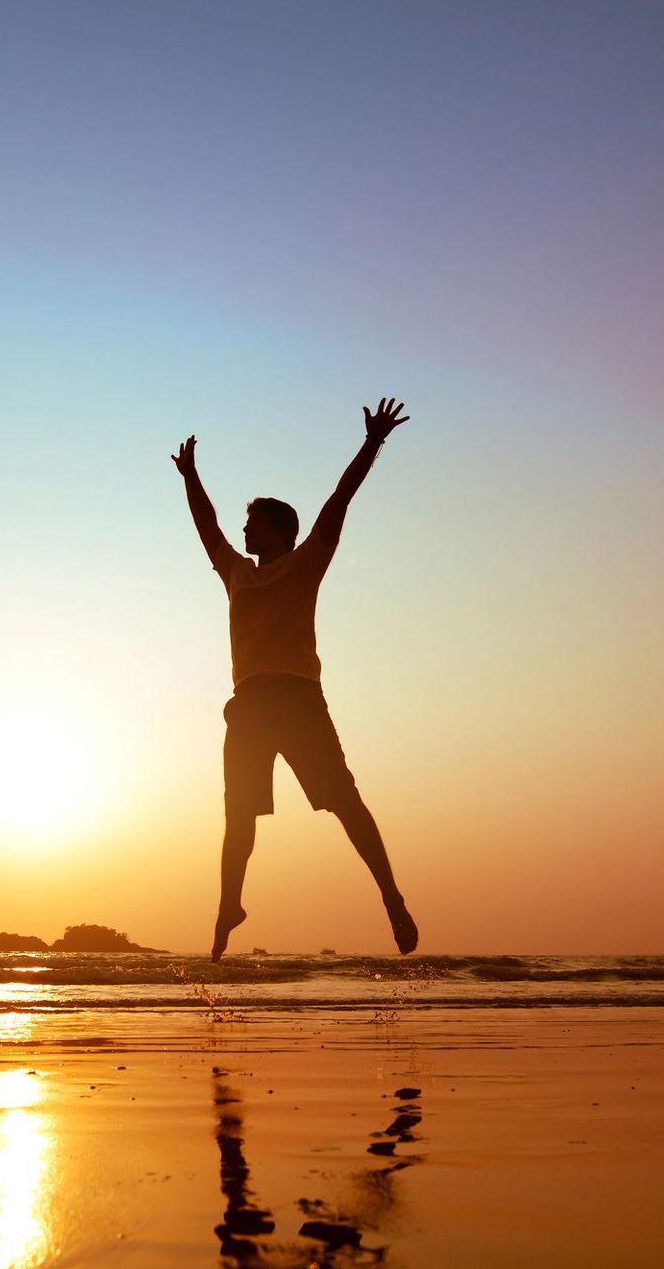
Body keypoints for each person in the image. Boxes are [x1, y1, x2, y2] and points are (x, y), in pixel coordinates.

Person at [172, 398, 418, 961]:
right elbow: (206, 526)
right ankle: (228, 907)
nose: (244, 528)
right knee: (239, 817)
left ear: (281, 530)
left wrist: (372, 442)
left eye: (254, 521)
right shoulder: (235, 572)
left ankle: (392, 896)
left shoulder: (306, 561)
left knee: (345, 802)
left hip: (299, 699)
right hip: (249, 704)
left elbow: (339, 501)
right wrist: (191, 476)